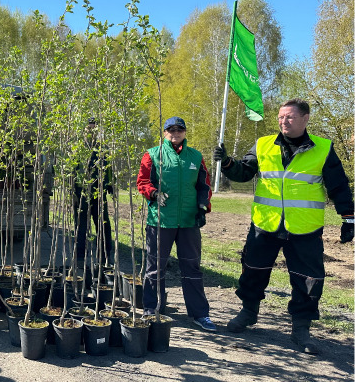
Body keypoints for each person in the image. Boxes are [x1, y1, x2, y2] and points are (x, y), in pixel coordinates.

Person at [214, 98, 354, 354]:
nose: (283, 121)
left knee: (308, 279)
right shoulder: (263, 144)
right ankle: (248, 312)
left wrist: (348, 217)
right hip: (265, 224)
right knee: (253, 270)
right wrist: (227, 163)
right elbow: (244, 173)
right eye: (280, 117)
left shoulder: (323, 148)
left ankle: (301, 329)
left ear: (305, 118)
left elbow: (338, 185)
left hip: (305, 228)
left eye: (289, 117)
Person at [137, 116, 216, 331]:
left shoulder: (196, 157)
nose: (175, 133)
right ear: (164, 133)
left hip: (189, 221)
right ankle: (151, 310)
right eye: (170, 129)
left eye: (179, 129)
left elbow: (204, 185)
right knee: (155, 268)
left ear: (185, 132)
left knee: (192, 268)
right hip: (161, 221)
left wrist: (203, 206)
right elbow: (142, 182)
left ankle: (200, 314)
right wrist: (153, 193)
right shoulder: (153, 155)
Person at [73, 117, 113, 265]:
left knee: (103, 224)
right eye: (89, 129)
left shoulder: (103, 148)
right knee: (80, 226)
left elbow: (108, 169)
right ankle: (79, 257)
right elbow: (72, 171)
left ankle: (105, 256)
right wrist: (73, 192)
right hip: (81, 193)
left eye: (95, 129)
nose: (92, 132)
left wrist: (110, 185)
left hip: (99, 192)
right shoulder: (78, 149)